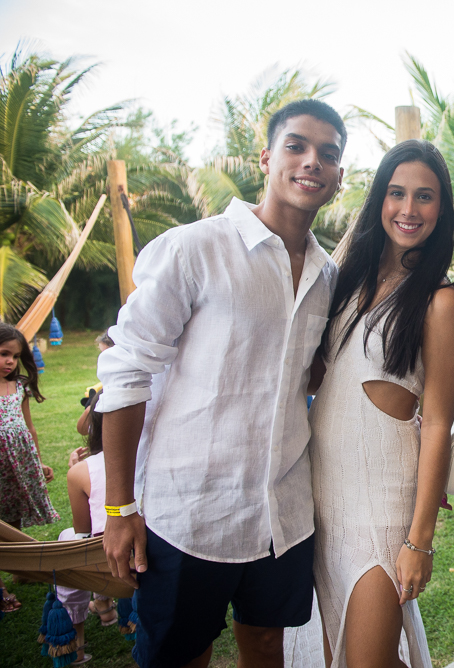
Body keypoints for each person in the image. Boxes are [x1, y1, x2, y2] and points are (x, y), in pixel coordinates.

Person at [96, 99, 346, 668]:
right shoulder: (195, 249)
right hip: (190, 512)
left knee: (265, 644)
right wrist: (117, 509)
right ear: (266, 157)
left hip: (281, 512)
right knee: (180, 655)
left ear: (337, 176)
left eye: (327, 155)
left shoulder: (329, 276)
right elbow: (126, 371)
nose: (312, 162)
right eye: (297, 146)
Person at [308, 139, 454, 667]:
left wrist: (419, 539)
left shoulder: (439, 302)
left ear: (441, 209)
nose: (408, 208)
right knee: (338, 650)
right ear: (379, 199)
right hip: (320, 490)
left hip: (381, 503)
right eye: (396, 193)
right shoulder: (347, 279)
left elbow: (438, 423)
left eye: (425, 196)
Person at [0, 322, 57, 613]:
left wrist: (38, 461)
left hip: (17, 466)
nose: (10, 361)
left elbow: (29, 429)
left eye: (15, 356)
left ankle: (18, 567)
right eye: (3, 354)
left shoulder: (18, 385)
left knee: (12, 516)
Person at [57, 395, 117, 665]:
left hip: (104, 561)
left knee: (68, 539)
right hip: (149, 553)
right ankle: (105, 607)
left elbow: (84, 534)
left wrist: (77, 472)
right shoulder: (155, 457)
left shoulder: (82, 471)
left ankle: (76, 641)